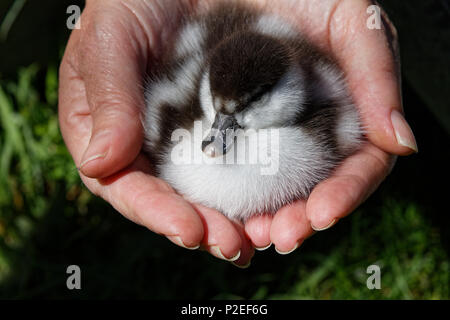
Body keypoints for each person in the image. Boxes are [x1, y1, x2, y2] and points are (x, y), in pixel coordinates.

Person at [58, 0, 417, 268]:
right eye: (218, 110)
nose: (216, 137)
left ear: (291, 88)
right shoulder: (177, 111)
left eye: (246, 106)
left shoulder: (326, 117)